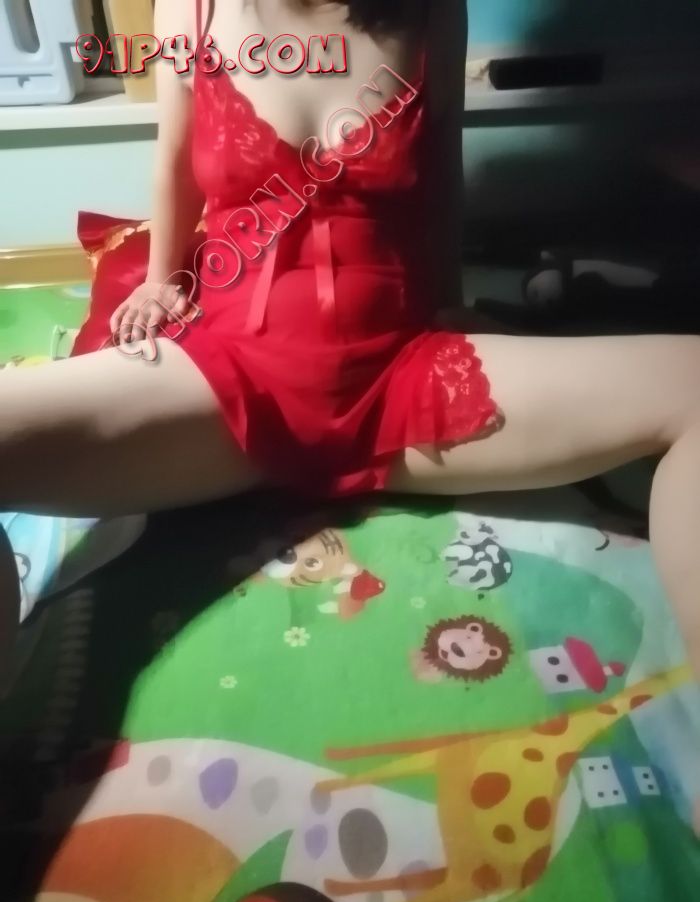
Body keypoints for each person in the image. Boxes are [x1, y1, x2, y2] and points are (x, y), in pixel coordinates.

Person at [0, 0, 698, 706]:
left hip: (405, 373)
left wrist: (451, 305)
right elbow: (175, 161)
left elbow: (441, 175)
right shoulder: (192, 7)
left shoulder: (430, 10)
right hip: (226, 377)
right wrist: (160, 281)